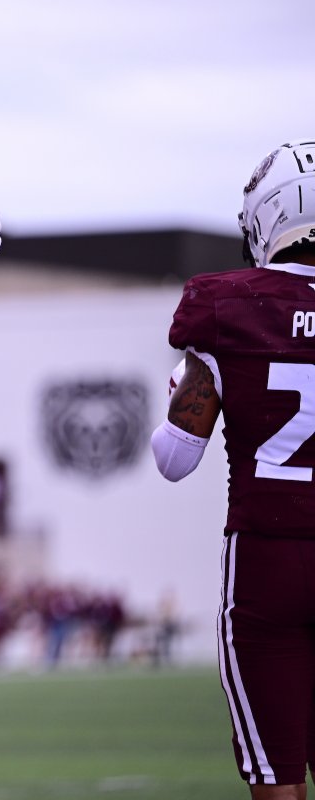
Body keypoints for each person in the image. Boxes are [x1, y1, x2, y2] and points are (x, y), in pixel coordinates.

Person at [153, 138, 315, 799]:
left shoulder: (227, 306)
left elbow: (173, 460)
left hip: (268, 561)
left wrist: (185, 389)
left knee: (276, 779)